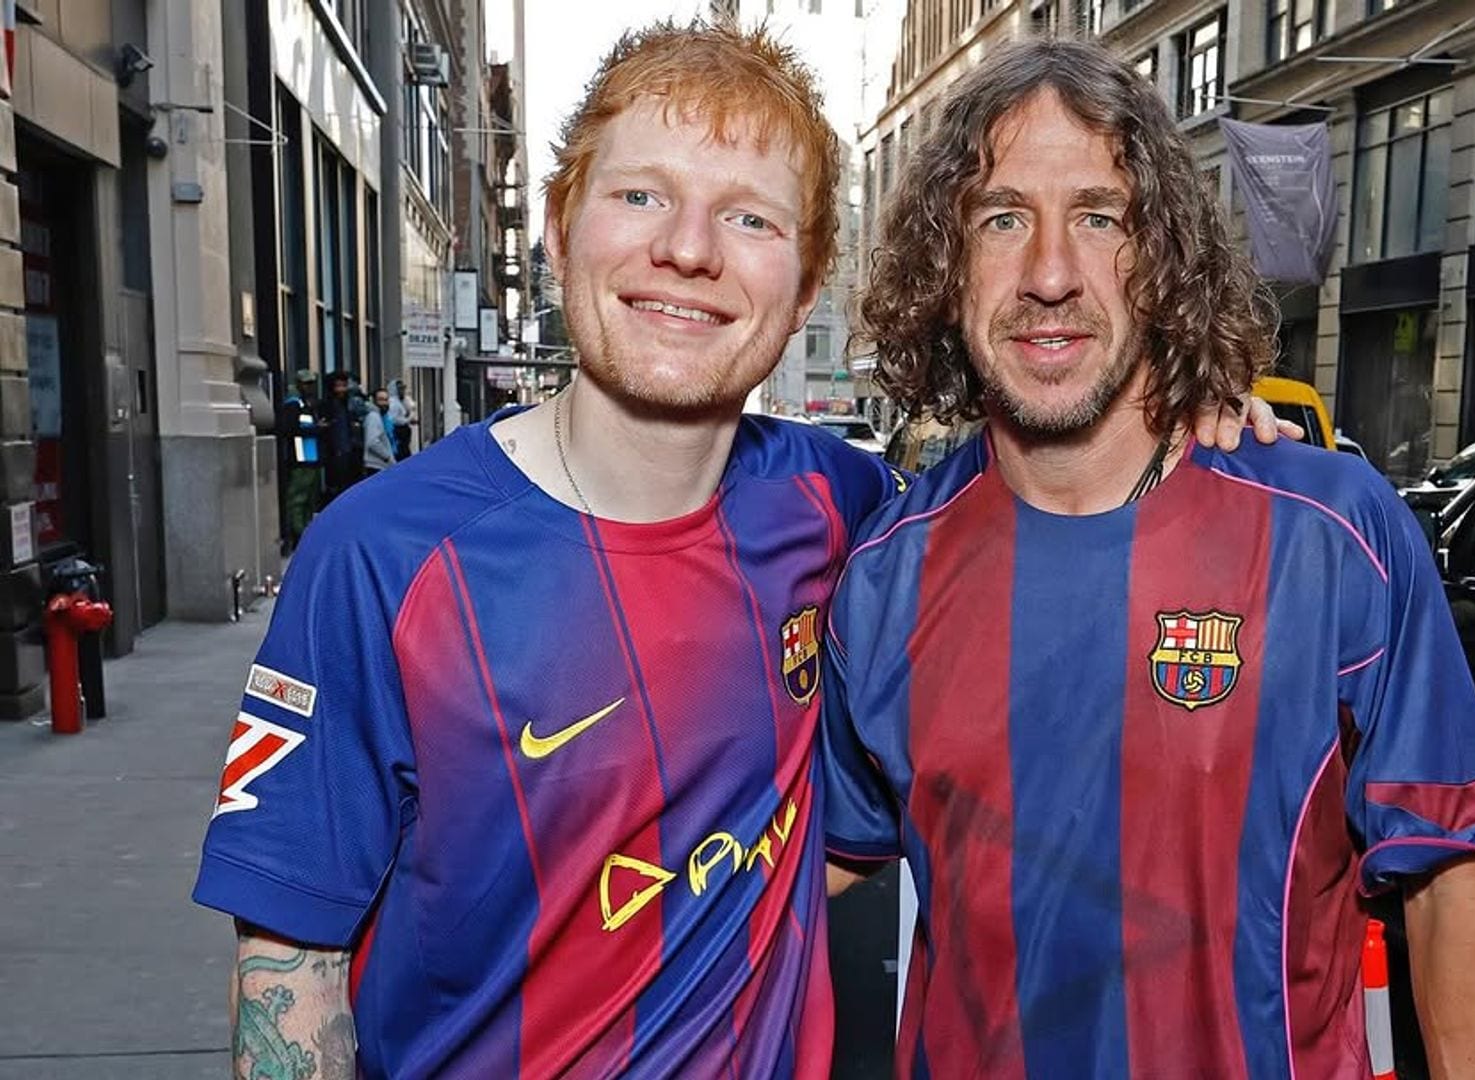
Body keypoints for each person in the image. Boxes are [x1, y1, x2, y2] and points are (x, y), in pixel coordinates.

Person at [193, 22, 1273, 1080]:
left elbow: (1048, 487)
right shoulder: (381, 558)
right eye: (640, 195)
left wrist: (1184, 400)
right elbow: (291, 961)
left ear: (804, 289)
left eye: (749, 218)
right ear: (559, 232)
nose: (690, 250)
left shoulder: (841, 505)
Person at [823, 39, 1475, 1079]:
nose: (1050, 273)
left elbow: (1450, 883)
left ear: (1161, 257)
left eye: (1100, 217)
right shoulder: (880, 576)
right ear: (948, 262)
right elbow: (807, 879)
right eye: (1001, 218)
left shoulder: (1333, 535)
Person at [277, 369, 327, 551]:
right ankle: (298, 535)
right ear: (298, 384)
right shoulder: (293, 405)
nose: (310, 387)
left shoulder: (308, 404)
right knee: (298, 501)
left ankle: (304, 533)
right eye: (306, 383)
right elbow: (287, 430)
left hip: (311, 459)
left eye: (312, 383)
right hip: (300, 460)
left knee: (308, 501)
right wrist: (315, 428)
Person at [319, 370, 359, 502]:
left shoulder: (347, 405)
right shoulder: (329, 406)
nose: (342, 389)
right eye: (338, 386)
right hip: (335, 453)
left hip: (347, 452)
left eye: (344, 385)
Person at [362, 387, 396, 477]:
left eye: (386, 400)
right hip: (376, 466)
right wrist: (387, 457)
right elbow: (372, 442)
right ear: (373, 401)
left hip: (380, 465)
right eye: (380, 400)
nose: (384, 403)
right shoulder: (373, 416)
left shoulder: (381, 416)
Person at [386, 379, 415, 460]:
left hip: (403, 432)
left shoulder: (400, 401)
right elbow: (395, 419)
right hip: (398, 432)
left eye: (403, 388)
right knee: (402, 454)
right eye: (400, 389)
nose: (402, 391)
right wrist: (408, 419)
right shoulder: (393, 403)